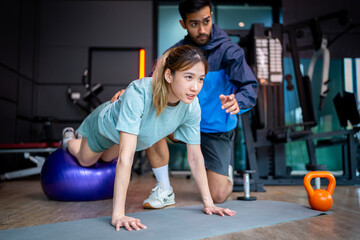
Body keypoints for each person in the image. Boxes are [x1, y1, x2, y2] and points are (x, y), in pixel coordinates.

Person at [62, 45, 236, 231]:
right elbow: (126, 157)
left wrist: (208, 203)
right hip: (102, 127)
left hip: (120, 137)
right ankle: (69, 138)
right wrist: (118, 215)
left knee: (106, 159)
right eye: (188, 77)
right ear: (169, 75)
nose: (195, 87)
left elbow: (195, 157)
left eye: (200, 79)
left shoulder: (192, 106)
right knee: (86, 159)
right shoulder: (139, 93)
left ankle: (78, 140)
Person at [112, 0, 258, 208]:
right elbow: (152, 83)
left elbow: (249, 87)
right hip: (182, 122)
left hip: (215, 128)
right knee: (149, 125)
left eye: (206, 21)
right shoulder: (176, 53)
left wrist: (238, 101)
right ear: (183, 24)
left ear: (211, 17)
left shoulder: (229, 52)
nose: (201, 29)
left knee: (217, 195)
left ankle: (224, 171)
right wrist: (128, 93)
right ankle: (164, 188)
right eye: (194, 23)